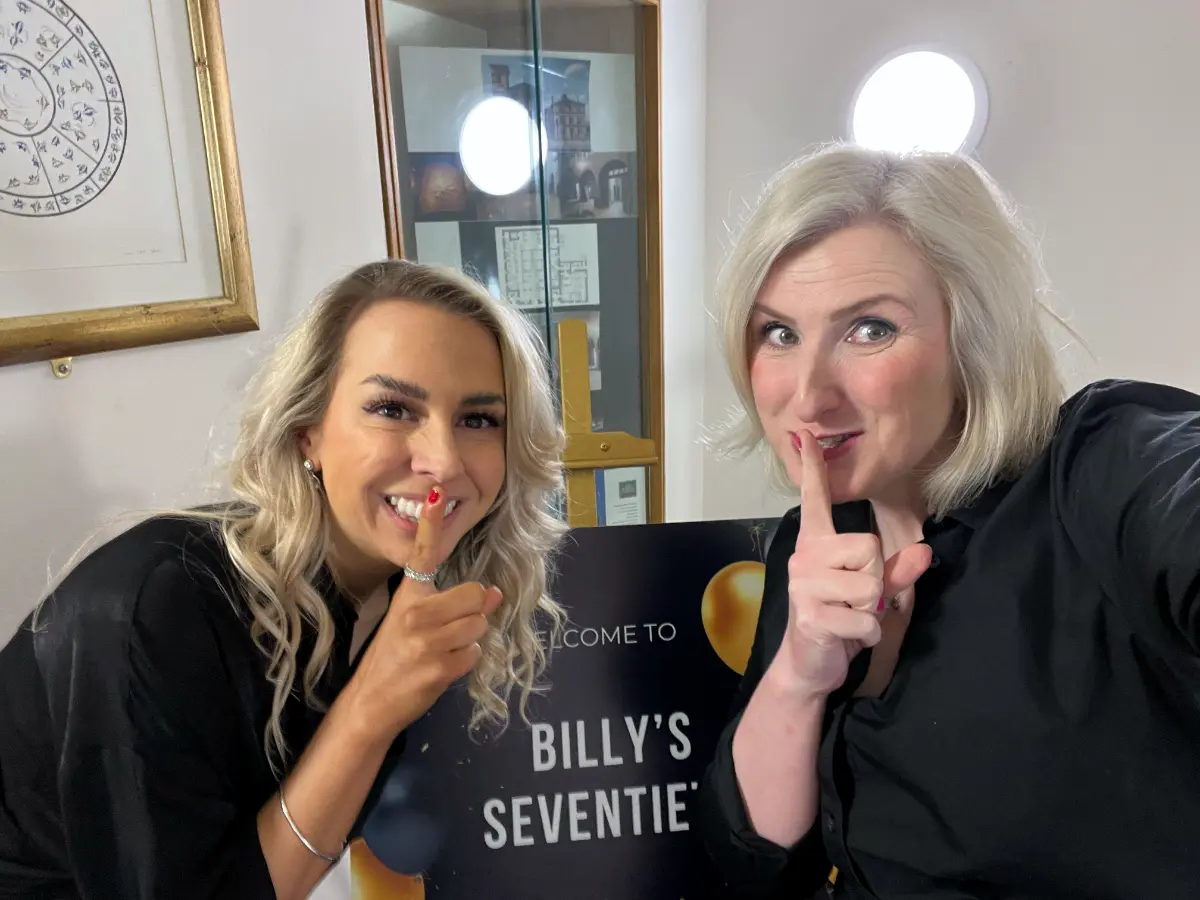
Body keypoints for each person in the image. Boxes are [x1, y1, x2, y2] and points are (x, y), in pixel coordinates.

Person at [695, 143, 1200, 899]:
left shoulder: (1103, 467)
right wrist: (800, 675)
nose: (807, 396)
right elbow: (753, 868)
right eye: (779, 333)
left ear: (974, 335)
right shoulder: (811, 538)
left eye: (869, 329)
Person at [0, 260, 567, 900]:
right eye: (392, 408)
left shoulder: (402, 590)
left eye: (479, 419)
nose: (442, 460)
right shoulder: (157, 606)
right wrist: (370, 707)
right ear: (308, 431)